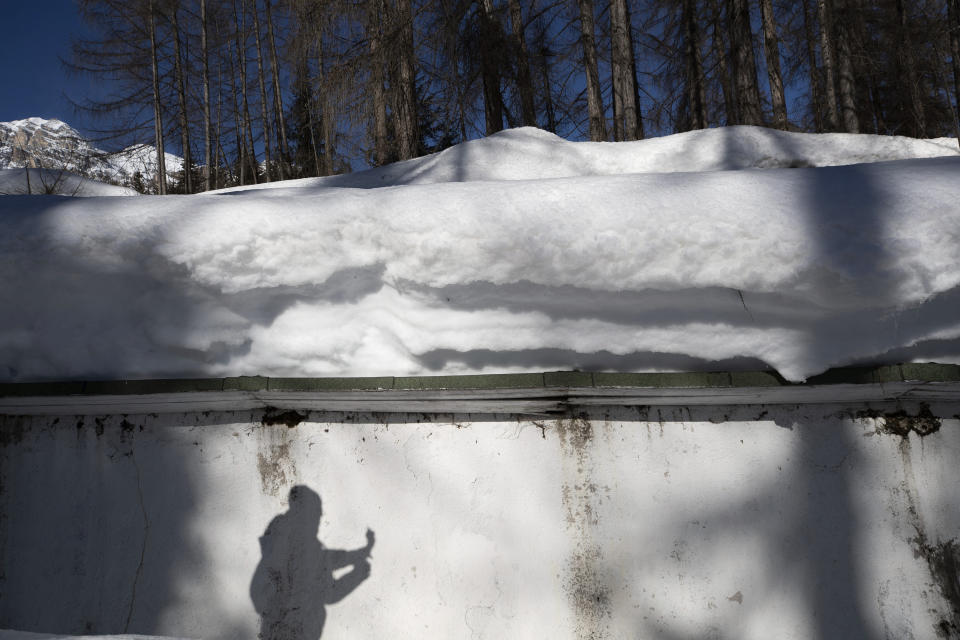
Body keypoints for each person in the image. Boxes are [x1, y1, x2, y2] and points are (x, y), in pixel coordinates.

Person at [250, 485, 375, 640]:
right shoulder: (296, 547)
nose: (319, 521)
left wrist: (362, 555)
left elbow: (330, 560)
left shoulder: (285, 540)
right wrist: (359, 573)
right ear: (305, 513)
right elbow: (330, 592)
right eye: (316, 514)